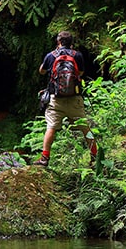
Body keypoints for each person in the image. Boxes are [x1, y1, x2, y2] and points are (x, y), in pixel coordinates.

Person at [33, 31, 97, 167]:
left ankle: (44, 158)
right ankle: (95, 156)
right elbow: (80, 73)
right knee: (85, 128)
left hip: (56, 99)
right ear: (71, 43)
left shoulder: (51, 56)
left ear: (58, 42)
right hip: (74, 98)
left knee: (51, 127)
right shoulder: (77, 55)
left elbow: (42, 71)